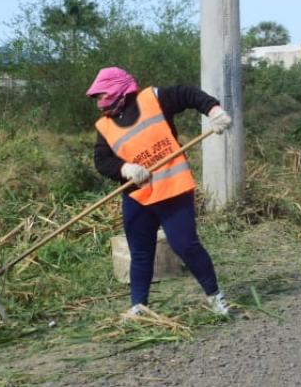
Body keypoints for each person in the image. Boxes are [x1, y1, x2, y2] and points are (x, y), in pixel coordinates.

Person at [86, 66, 233, 319]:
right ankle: (139, 307)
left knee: (186, 246)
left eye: (102, 95)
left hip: (172, 190)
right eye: (97, 97)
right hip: (138, 196)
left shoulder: (153, 99)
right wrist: (124, 168)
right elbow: (102, 161)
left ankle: (215, 296)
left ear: (117, 90)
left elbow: (187, 94)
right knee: (141, 253)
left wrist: (213, 110)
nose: (100, 102)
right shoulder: (105, 126)